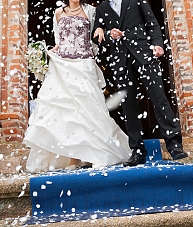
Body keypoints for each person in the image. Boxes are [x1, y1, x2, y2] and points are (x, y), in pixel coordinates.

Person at [23, 0, 131, 173]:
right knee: (68, 113)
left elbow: (97, 33)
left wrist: (102, 29)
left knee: (88, 110)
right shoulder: (58, 12)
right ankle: (73, 157)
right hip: (63, 65)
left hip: (84, 64)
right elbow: (59, 40)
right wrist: (43, 53)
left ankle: (97, 154)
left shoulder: (91, 11)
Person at [92, 0, 188, 167]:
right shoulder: (101, 9)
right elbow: (97, 37)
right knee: (128, 106)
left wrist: (157, 44)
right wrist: (108, 35)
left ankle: (174, 145)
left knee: (159, 98)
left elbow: (151, 23)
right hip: (120, 61)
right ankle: (137, 150)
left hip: (145, 54)